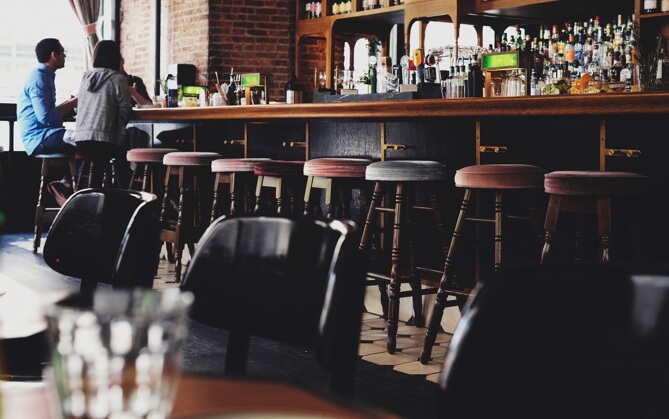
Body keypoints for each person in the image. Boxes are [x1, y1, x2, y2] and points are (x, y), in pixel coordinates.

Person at [75, 40, 149, 189]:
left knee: (101, 162)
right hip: (105, 140)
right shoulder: (118, 78)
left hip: (82, 139)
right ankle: (125, 194)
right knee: (135, 141)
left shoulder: (86, 77)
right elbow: (125, 110)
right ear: (115, 57)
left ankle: (94, 196)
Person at [17, 38, 78, 205]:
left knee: (88, 141)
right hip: (39, 137)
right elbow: (45, 117)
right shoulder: (39, 79)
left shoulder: (44, 75)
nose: (65, 55)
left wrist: (69, 103)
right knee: (89, 142)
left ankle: (66, 184)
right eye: (63, 52)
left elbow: (47, 113)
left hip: (44, 134)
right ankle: (66, 186)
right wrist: (72, 104)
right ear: (54, 55)